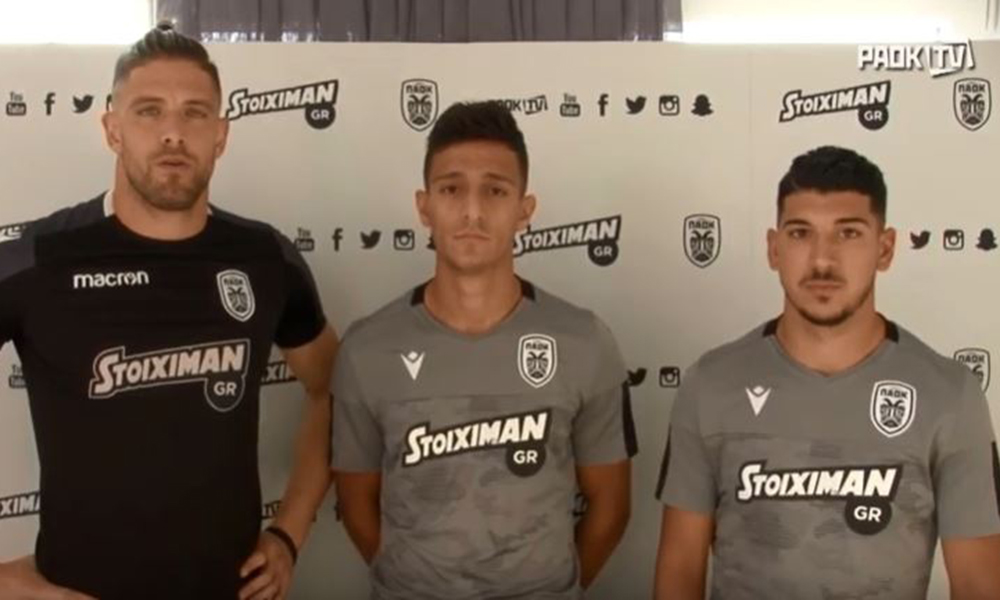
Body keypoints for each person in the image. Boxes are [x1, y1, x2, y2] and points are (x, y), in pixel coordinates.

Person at [0, 24, 337, 600]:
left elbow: (335, 390)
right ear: (112, 128)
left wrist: (288, 534)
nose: (173, 133)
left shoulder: (265, 259)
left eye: (195, 113)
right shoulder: (39, 260)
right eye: (149, 111)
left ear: (221, 135)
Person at [653, 146, 1000, 599]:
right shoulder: (710, 384)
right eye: (801, 233)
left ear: (885, 248)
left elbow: (978, 585)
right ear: (773, 248)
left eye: (848, 233)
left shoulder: (950, 395)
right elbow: (679, 569)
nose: (822, 260)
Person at [332, 101, 636, 599]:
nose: (472, 211)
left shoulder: (584, 342)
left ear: (524, 210)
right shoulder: (367, 349)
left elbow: (612, 506)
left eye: (495, 190)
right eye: (451, 189)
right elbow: (356, 503)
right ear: (424, 206)